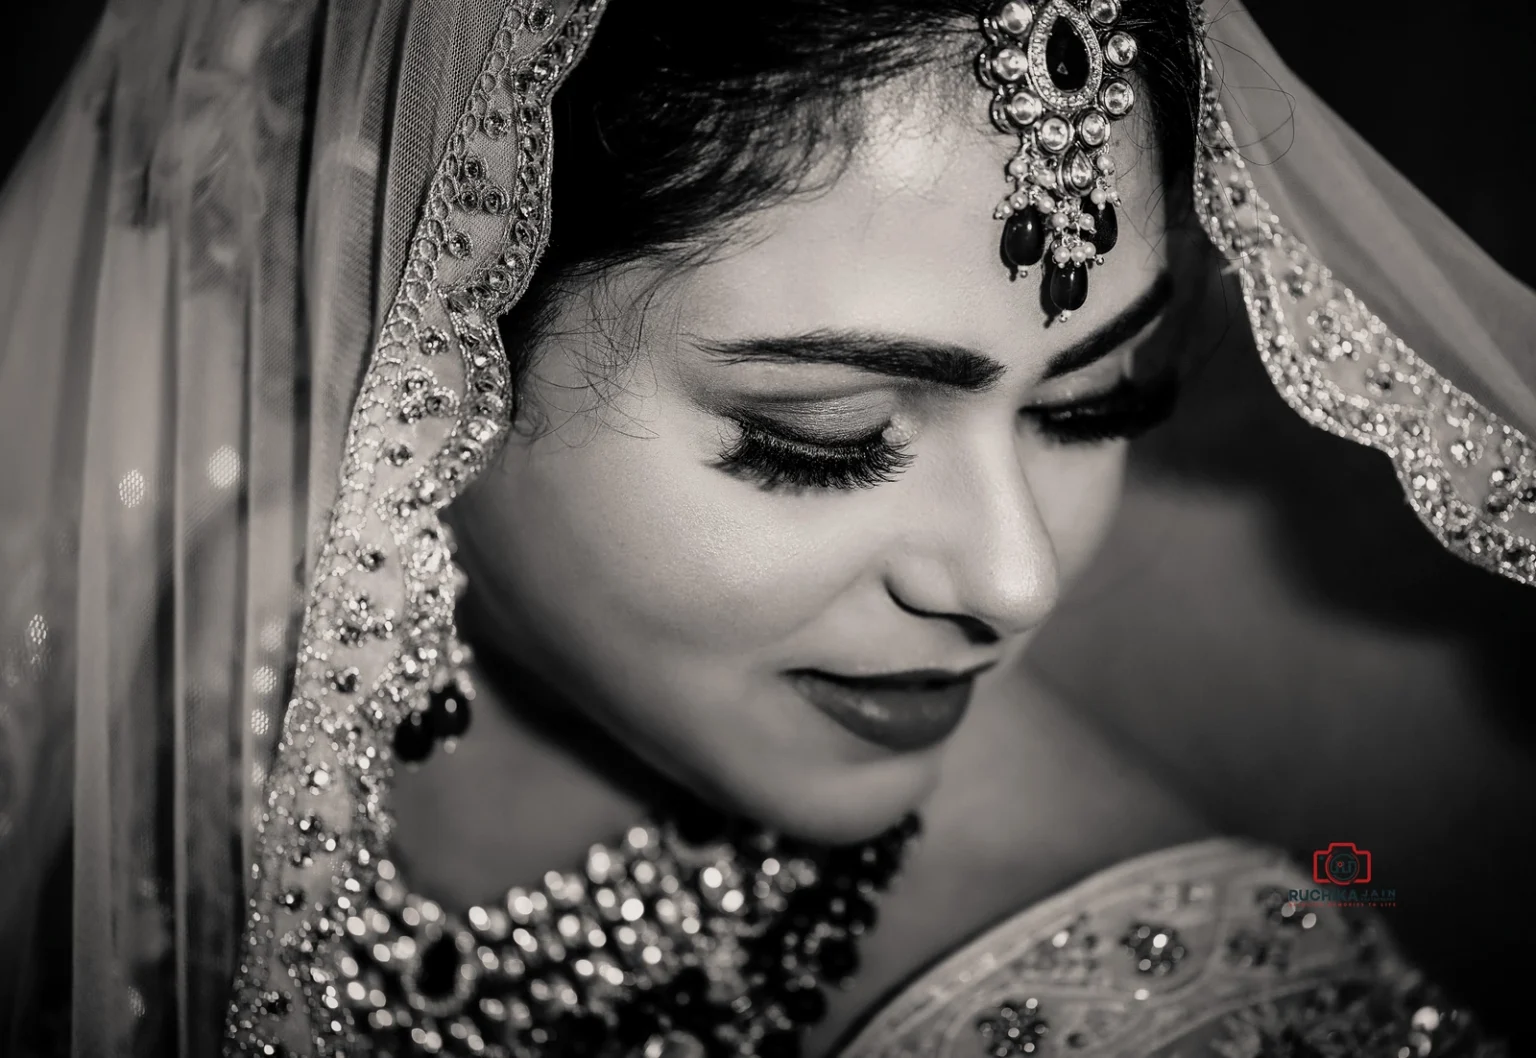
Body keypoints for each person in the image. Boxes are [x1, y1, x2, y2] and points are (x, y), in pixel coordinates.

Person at [1, 0, 1531, 1055]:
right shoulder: (223, 572)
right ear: (397, 298)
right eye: (828, 439)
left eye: (1094, 400)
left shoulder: (1171, 1016)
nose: (1017, 577)